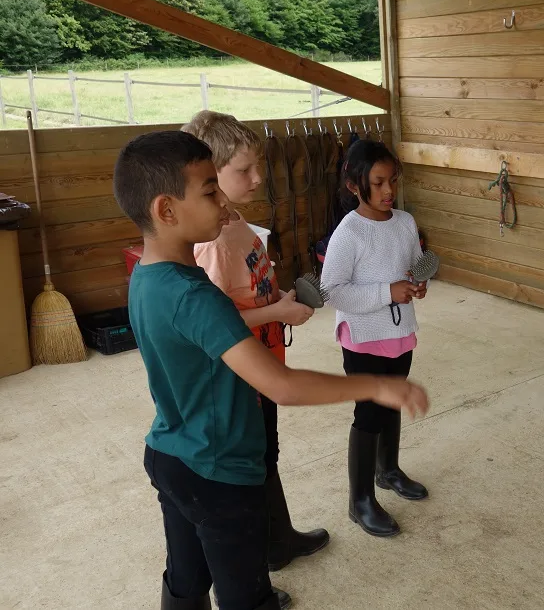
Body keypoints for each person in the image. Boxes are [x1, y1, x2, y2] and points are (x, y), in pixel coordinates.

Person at [114, 130, 428, 610]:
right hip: (219, 473)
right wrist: (379, 384)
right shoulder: (197, 297)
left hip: (169, 456)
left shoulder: (148, 278)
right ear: (166, 209)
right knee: (247, 595)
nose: (223, 199)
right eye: (208, 190)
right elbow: (280, 385)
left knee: (186, 579)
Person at [181, 110, 329, 578]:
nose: (258, 177)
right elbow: (213, 320)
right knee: (244, 471)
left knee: (267, 455)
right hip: (237, 379)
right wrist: (277, 313)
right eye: (244, 169)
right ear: (210, 174)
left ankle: (277, 539)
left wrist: (279, 302)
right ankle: (248, 573)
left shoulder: (237, 225)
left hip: (263, 372)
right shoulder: (214, 244)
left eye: (257, 165)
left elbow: (247, 293)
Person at [319, 139, 429, 538]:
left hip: (400, 333)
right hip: (363, 339)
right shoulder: (348, 233)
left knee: (393, 402)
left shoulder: (404, 222)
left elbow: (415, 266)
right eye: (379, 182)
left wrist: (418, 283)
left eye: (392, 182)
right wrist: (388, 292)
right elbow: (332, 290)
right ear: (354, 185)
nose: (388, 191)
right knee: (368, 416)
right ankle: (359, 500)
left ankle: (389, 471)